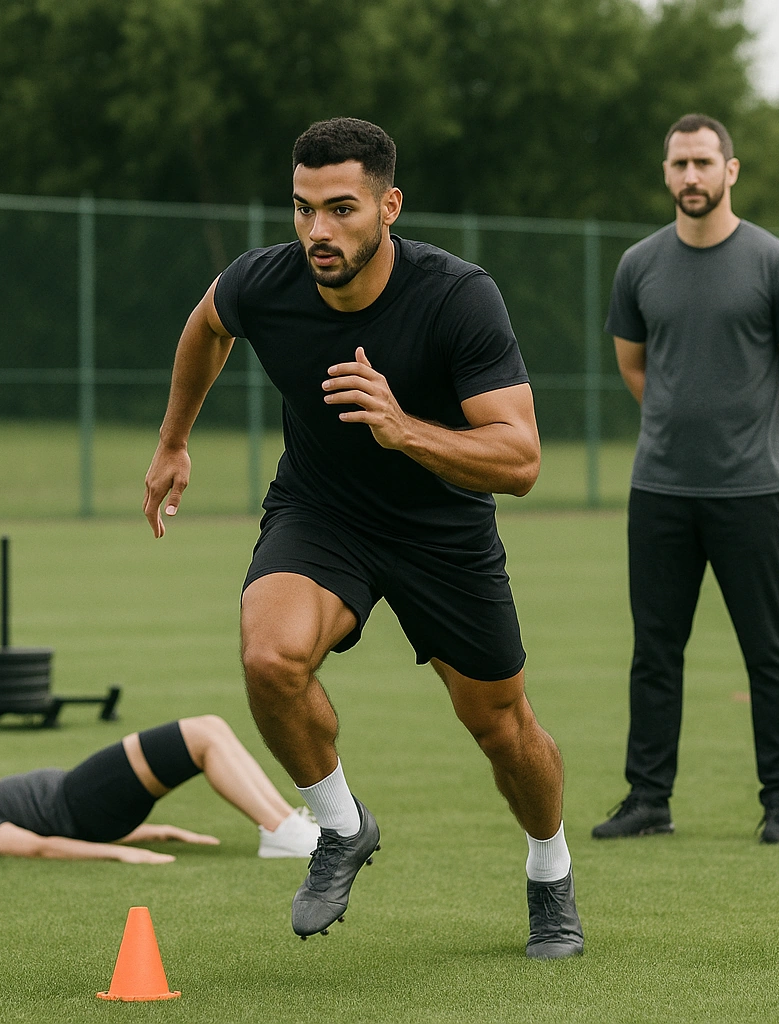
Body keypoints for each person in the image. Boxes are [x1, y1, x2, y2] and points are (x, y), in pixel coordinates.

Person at [142, 118, 582, 959]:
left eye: (340, 209)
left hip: (442, 530)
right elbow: (207, 326)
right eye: (302, 209)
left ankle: (550, 873)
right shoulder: (265, 281)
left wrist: (402, 427)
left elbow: (520, 461)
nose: (317, 231)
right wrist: (172, 441)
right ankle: (341, 826)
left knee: (502, 726)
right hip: (322, 511)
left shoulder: (458, 296)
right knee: (270, 657)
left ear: (389, 205)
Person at [592, 113, 779, 845]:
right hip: (658, 490)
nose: (690, 176)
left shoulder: (777, 263)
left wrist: (754, 439)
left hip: (751, 492)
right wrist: (677, 426)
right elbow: (635, 367)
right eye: (678, 164)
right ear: (666, 175)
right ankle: (648, 799)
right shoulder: (639, 265)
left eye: (703, 162)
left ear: (731, 171)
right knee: (655, 651)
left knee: (769, 651)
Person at [0, 715, 320, 860]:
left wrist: (156, 832)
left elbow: (45, 829)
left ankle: (285, 823)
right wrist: (118, 855)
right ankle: (280, 831)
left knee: (211, 730)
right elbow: (39, 846)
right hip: (84, 799)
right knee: (201, 735)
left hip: (91, 802)